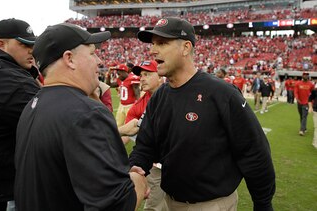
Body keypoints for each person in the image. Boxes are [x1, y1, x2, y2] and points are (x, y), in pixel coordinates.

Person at [129, 17, 276, 211]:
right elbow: (146, 144)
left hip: (211, 205)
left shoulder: (222, 93)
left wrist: (263, 204)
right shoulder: (159, 96)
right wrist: (136, 166)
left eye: (162, 43)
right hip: (169, 202)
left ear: (186, 48)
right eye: (153, 44)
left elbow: (254, 152)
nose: (152, 50)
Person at [14, 23, 148, 211]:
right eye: (92, 53)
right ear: (69, 59)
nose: (99, 61)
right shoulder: (87, 112)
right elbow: (116, 204)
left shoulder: (32, 105)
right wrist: (137, 181)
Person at [0, 18, 40, 211]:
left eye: (33, 44)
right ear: (0, 44)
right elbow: (50, 125)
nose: (32, 50)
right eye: (24, 44)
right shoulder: (12, 79)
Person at [125, 60, 168, 211]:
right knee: (154, 207)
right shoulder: (138, 106)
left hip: (180, 165)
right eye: (141, 75)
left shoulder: (176, 96)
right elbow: (127, 134)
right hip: (155, 166)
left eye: (147, 74)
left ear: (161, 75)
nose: (142, 78)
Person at [105, 63, 140, 144]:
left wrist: (138, 106)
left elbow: (137, 93)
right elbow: (108, 84)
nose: (118, 74)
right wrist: (108, 74)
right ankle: (117, 144)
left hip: (130, 106)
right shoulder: (120, 80)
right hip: (122, 105)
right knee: (118, 126)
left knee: (131, 128)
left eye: (119, 72)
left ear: (124, 71)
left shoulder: (132, 78)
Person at [294, 72, 314, 136]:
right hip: (299, 102)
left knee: (304, 116)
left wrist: (311, 102)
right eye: (304, 75)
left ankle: (302, 130)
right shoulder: (298, 83)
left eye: (307, 75)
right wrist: (297, 98)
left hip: (307, 103)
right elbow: (296, 92)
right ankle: (304, 128)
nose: (306, 76)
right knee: (301, 116)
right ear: (302, 76)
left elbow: (313, 93)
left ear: (308, 76)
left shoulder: (311, 84)